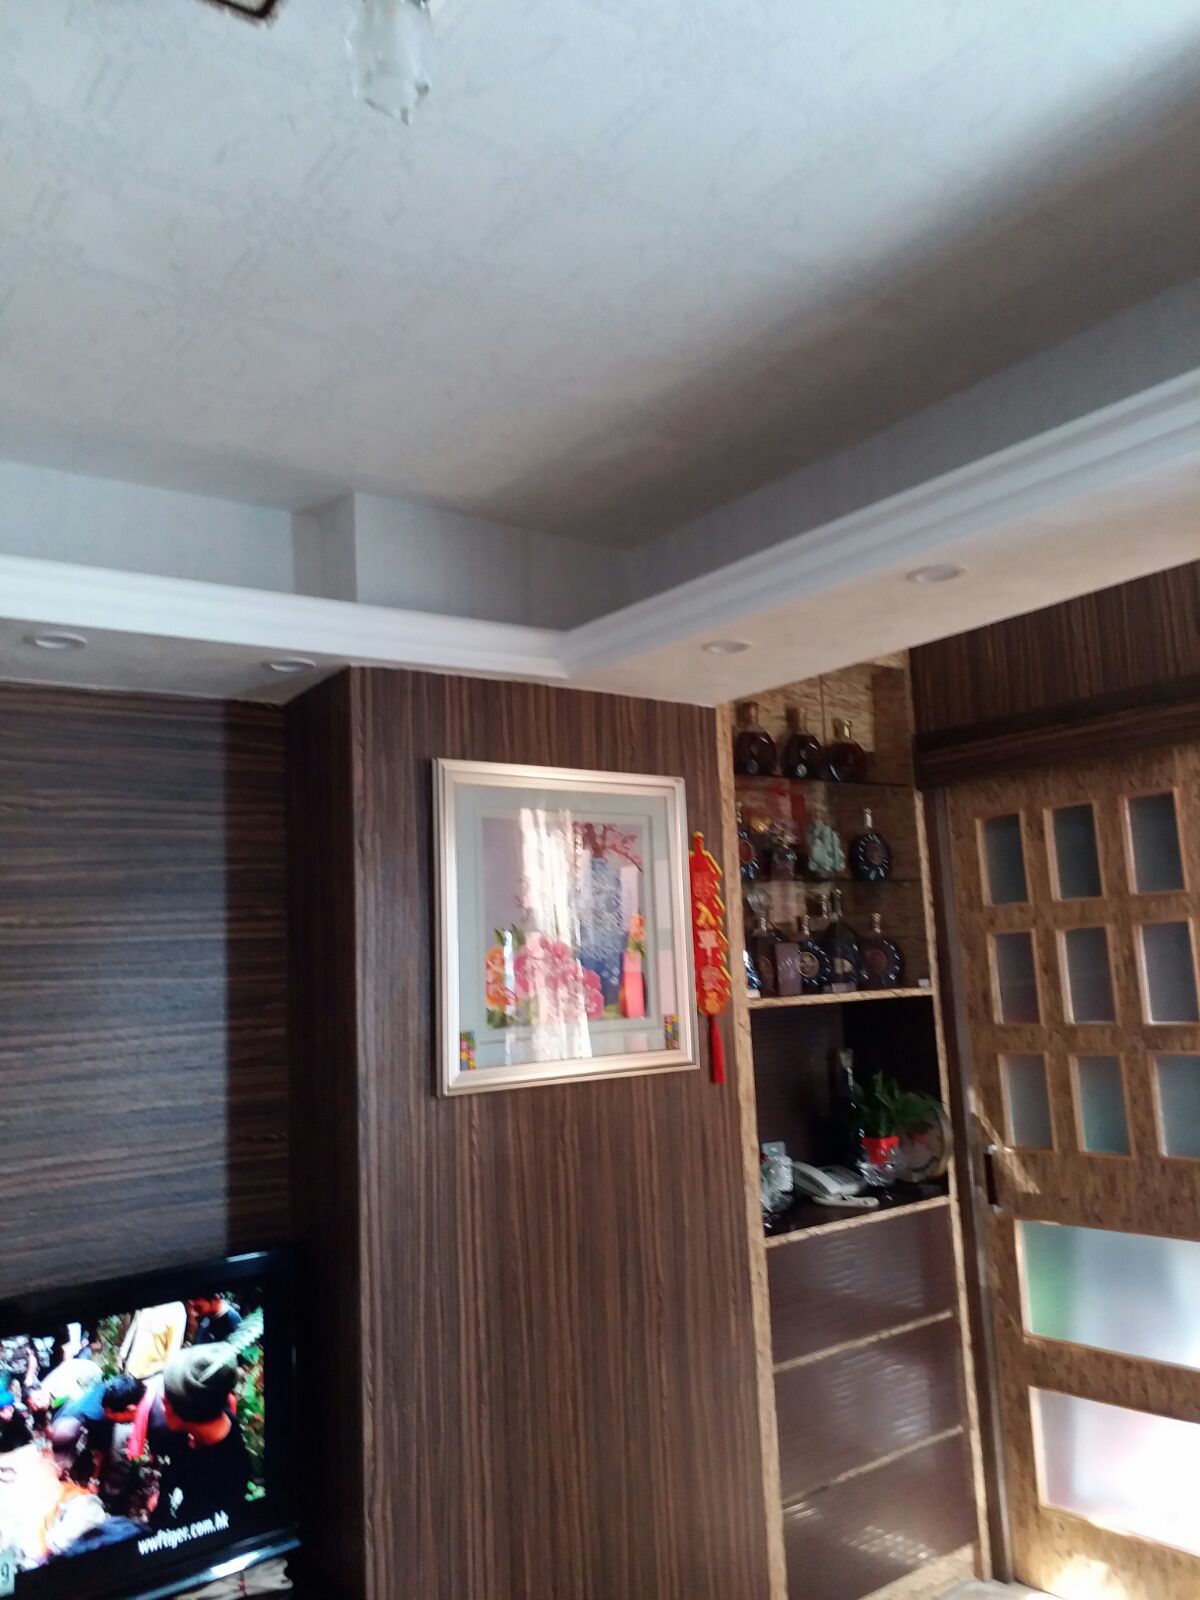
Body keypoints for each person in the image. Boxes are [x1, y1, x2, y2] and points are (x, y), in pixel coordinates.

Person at [153, 1344, 249, 1529]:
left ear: (186, 1412)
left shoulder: (225, 1477)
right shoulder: (196, 1426)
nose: (163, 1400)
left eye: (168, 1399)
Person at [46, 1376, 145, 1485]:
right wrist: (94, 1480)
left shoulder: (114, 1395)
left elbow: (101, 1450)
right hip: (73, 1422)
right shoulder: (99, 1415)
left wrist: (94, 1479)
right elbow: (100, 1451)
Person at [119, 1303, 186, 1381]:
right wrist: (122, 1353)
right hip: (129, 1371)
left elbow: (173, 1354)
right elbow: (134, 1325)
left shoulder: (176, 1310)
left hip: (151, 1378)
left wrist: (159, 1380)